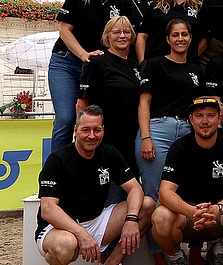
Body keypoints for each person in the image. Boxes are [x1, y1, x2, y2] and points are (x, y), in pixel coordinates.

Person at [35, 105, 154, 265]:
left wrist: (131, 219)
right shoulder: (57, 159)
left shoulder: (109, 153)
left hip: (96, 221)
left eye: (97, 130)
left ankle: (111, 263)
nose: (91, 136)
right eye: (86, 130)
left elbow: (135, 188)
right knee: (66, 245)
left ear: (103, 130)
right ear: (76, 130)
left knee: (147, 205)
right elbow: (48, 210)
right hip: (58, 227)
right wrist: (81, 234)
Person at [151, 97, 223, 265]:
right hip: (185, 217)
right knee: (160, 217)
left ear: (219, 119)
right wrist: (190, 211)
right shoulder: (179, 147)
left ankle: (217, 252)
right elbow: (165, 192)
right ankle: (177, 258)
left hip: (218, 217)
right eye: (199, 116)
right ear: (191, 120)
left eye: (210, 115)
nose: (205, 121)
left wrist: (218, 209)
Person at [49, 0, 135, 152]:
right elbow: (64, 31)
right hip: (67, 62)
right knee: (67, 118)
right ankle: (57, 171)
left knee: (93, 121)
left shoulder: (123, 0)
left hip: (99, 69)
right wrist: (83, 55)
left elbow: (126, 35)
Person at [135, 18, 206, 260]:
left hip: (188, 133)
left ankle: (195, 252)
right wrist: (146, 137)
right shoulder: (154, 65)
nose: (180, 39)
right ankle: (161, 256)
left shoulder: (197, 71)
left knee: (192, 193)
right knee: (155, 197)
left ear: (190, 38)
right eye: (175, 35)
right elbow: (144, 102)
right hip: (157, 130)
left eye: (184, 34)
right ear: (167, 39)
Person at [77, 16, 141, 203]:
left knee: (129, 196)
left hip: (131, 139)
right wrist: (82, 136)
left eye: (126, 32)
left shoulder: (135, 65)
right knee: (107, 196)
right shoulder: (97, 62)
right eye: (117, 32)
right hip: (107, 141)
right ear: (107, 36)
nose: (122, 36)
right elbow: (82, 104)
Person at [137, 0, 210, 65]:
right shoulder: (155, 6)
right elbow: (142, 36)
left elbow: (204, 41)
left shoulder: (199, 7)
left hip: (187, 67)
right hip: (157, 66)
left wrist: (188, 60)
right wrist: (142, 64)